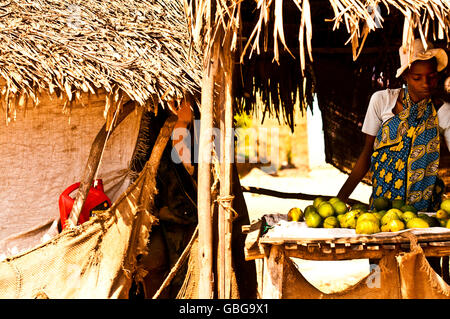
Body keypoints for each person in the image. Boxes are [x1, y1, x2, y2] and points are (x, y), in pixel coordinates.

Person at [337, 39, 449, 211]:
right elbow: (368, 153)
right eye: (417, 78)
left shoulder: (442, 110)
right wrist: (341, 198)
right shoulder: (381, 101)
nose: (426, 83)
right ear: (405, 75)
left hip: (424, 209)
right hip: (383, 205)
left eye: (432, 76)